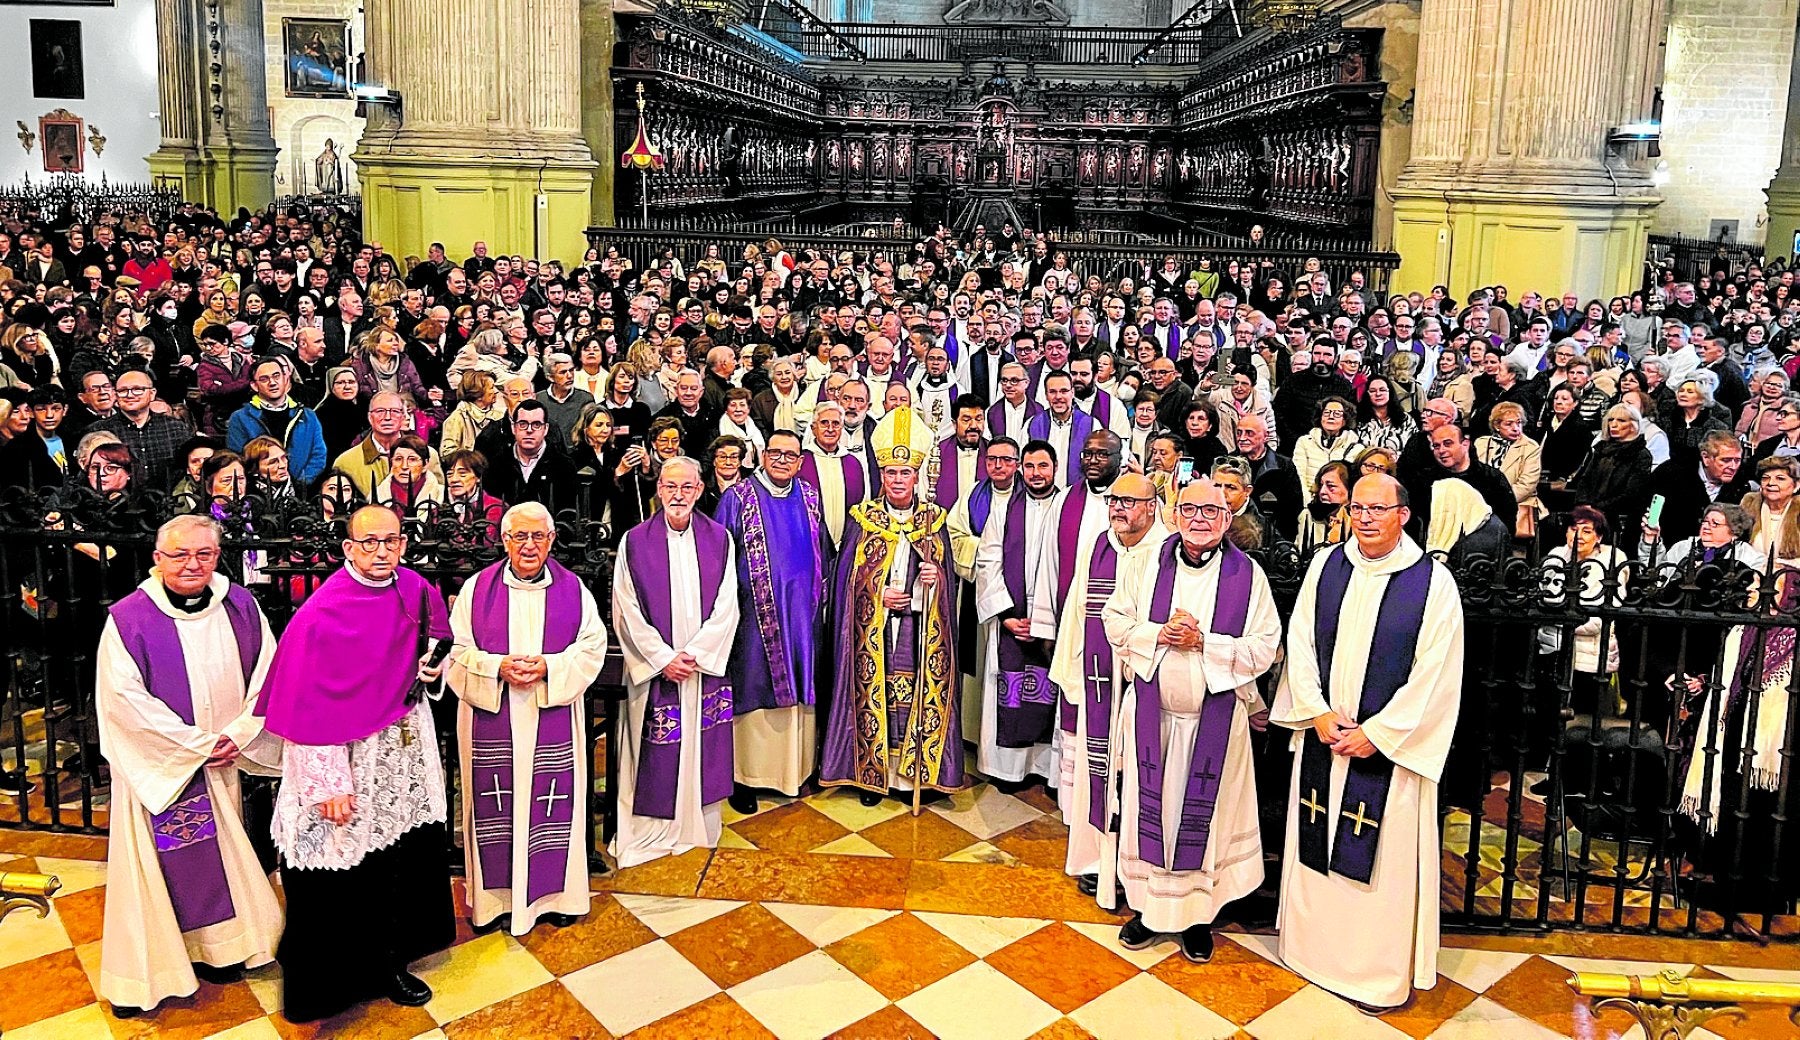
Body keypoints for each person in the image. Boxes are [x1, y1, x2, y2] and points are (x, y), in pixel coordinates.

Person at [1270, 473, 1464, 1014]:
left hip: (1386, 755)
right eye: (1358, 507)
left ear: (1403, 514)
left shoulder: (1432, 582)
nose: (1367, 518)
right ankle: (1310, 953)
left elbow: (1436, 671)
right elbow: (1301, 641)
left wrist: (1377, 734)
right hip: (1325, 740)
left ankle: (1373, 976)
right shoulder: (1325, 565)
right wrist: (1316, 711)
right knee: (1315, 843)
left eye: (1379, 508)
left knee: (1381, 865)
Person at [254, 505, 455, 1021]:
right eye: (369, 543)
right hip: (345, 758)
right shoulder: (322, 613)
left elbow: (436, 650)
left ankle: (388, 963)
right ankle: (331, 983)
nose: (381, 551)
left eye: (391, 541)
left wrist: (431, 671)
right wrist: (328, 786)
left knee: (393, 860)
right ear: (348, 548)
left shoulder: (414, 590)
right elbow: (307, 703)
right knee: (341, 866)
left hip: (401, 747)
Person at [93, 516, 282, 1013]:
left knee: (229, 852)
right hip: (162, 767)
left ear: (217, 556)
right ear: (157, 559)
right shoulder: (129, 618)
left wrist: (238, 734)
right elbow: (122, 701)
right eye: (178, 555)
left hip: (226, 757)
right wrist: (192, 745)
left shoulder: (241, 605)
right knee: (152, 871)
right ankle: (152, 972)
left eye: (204, 554)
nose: (192, 564)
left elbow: (269, 673)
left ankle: (222, 949)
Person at [1102, 477, 1281, 960]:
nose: (1199, 519)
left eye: (1210, 511)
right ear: (1174, 514)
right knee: (1151, 813)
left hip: (1216, 729)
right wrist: (1161, 634)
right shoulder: (1146, 566)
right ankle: (1147, 909)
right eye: (1189, 509)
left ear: (1226, 519)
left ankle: (1198, 918)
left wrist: (1205, 644)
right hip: (1153, 724)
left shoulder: (1249, 577)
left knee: (1206, 821)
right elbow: (1114, 620)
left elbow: (1266, 646)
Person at [447, 502, 608, 935]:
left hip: (549, 711)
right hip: (493, 714)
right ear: (505, 541)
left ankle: (555, 897)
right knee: (494, 805)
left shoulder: (574, 591)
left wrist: (550, 668)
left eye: (539, 536)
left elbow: (592, 646)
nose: (529, 545)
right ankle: (496, 901)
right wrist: (496, 667)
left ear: (552, 540)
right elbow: (456, 652)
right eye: (520, 536)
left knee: (552, 806)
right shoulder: (476, 590)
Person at [821, 407, 964, 807]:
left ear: (916, 476)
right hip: (877, 628)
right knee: (877, 694)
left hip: (919, 626)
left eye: (904, 473)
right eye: (890, 473)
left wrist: (935, 580)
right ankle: (872, 777)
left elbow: (945, 574)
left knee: (914, 696)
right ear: (881, 476)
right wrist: (876, 595)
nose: (897, 480)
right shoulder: (863, 519)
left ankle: (912, 778)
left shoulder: (933, 520)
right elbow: (846, 577)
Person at [1041, 471, 1169, 905]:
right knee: (1096, 778)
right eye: (1114, 500)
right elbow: (1079, 608)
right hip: (1097, 684)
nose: (1117, 507)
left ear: (1152, 506)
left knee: (1137, 777)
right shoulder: (1099, 545)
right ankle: (1097, 860)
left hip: (1142, 688)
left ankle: (1135, 869)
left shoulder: (1167, 553)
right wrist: (1070, 671)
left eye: (1128, 501)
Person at [610, 455, 741, 865]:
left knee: (701, 749)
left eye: (687, 487)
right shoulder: (634, 541)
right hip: (657, 674)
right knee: (652, 753)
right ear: (659, 490)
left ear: (700, 490)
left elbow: (728, 604)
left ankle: (696, 826)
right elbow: (625, 608)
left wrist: (698, 654)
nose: (678, 495)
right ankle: (649, 831)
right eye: (670, 486)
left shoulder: (719, 538)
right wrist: (662, 658)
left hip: (701, 671)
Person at [713, 430, 826, 814]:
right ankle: (745, 777)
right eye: (774, 453)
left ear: (799, 460)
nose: (781, 460)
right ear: (762, 456)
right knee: (753, 688)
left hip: (802, 619)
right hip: (751, 620)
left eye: (790, 455)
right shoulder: (737, 498)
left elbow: (821, 550)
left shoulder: (810, 496)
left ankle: (795, 771)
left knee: (798, 691)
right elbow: (718, 559)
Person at [970, 439, 1063, 787]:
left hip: (1051, 623)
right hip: (1011, 619)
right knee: (1009, 693)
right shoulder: (1005, 508)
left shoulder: (1066, 507)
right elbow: (988, 561)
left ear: (1054, 468)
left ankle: (1044, 768)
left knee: (1047, 696)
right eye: (1030, 466)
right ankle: (1008, 769)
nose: (1036, 473)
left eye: (1043, 466)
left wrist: (1045, 620)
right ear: (1021, 469)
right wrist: (1006, 614)